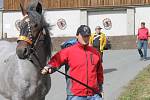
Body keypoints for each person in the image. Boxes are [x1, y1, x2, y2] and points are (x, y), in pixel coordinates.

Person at [41, 25, 104, 100]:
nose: (85, 38)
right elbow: (56, 60)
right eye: (83, 36)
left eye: (87, 36)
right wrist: (49, 67)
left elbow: (99, 73)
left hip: (94, 94)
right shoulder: (68, 51)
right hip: (75, 95)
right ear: (77, 36)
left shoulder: (95, 53)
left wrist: (100, 89)